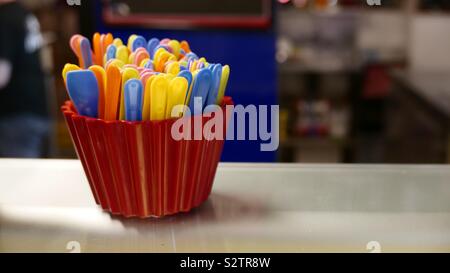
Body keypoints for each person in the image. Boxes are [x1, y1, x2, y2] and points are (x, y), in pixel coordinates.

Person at [0, 0, 49, 158]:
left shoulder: (5, 18)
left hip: (16, 116)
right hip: (34, 110)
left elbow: (1, 74)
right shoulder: (22, 13)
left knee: (19, 178)